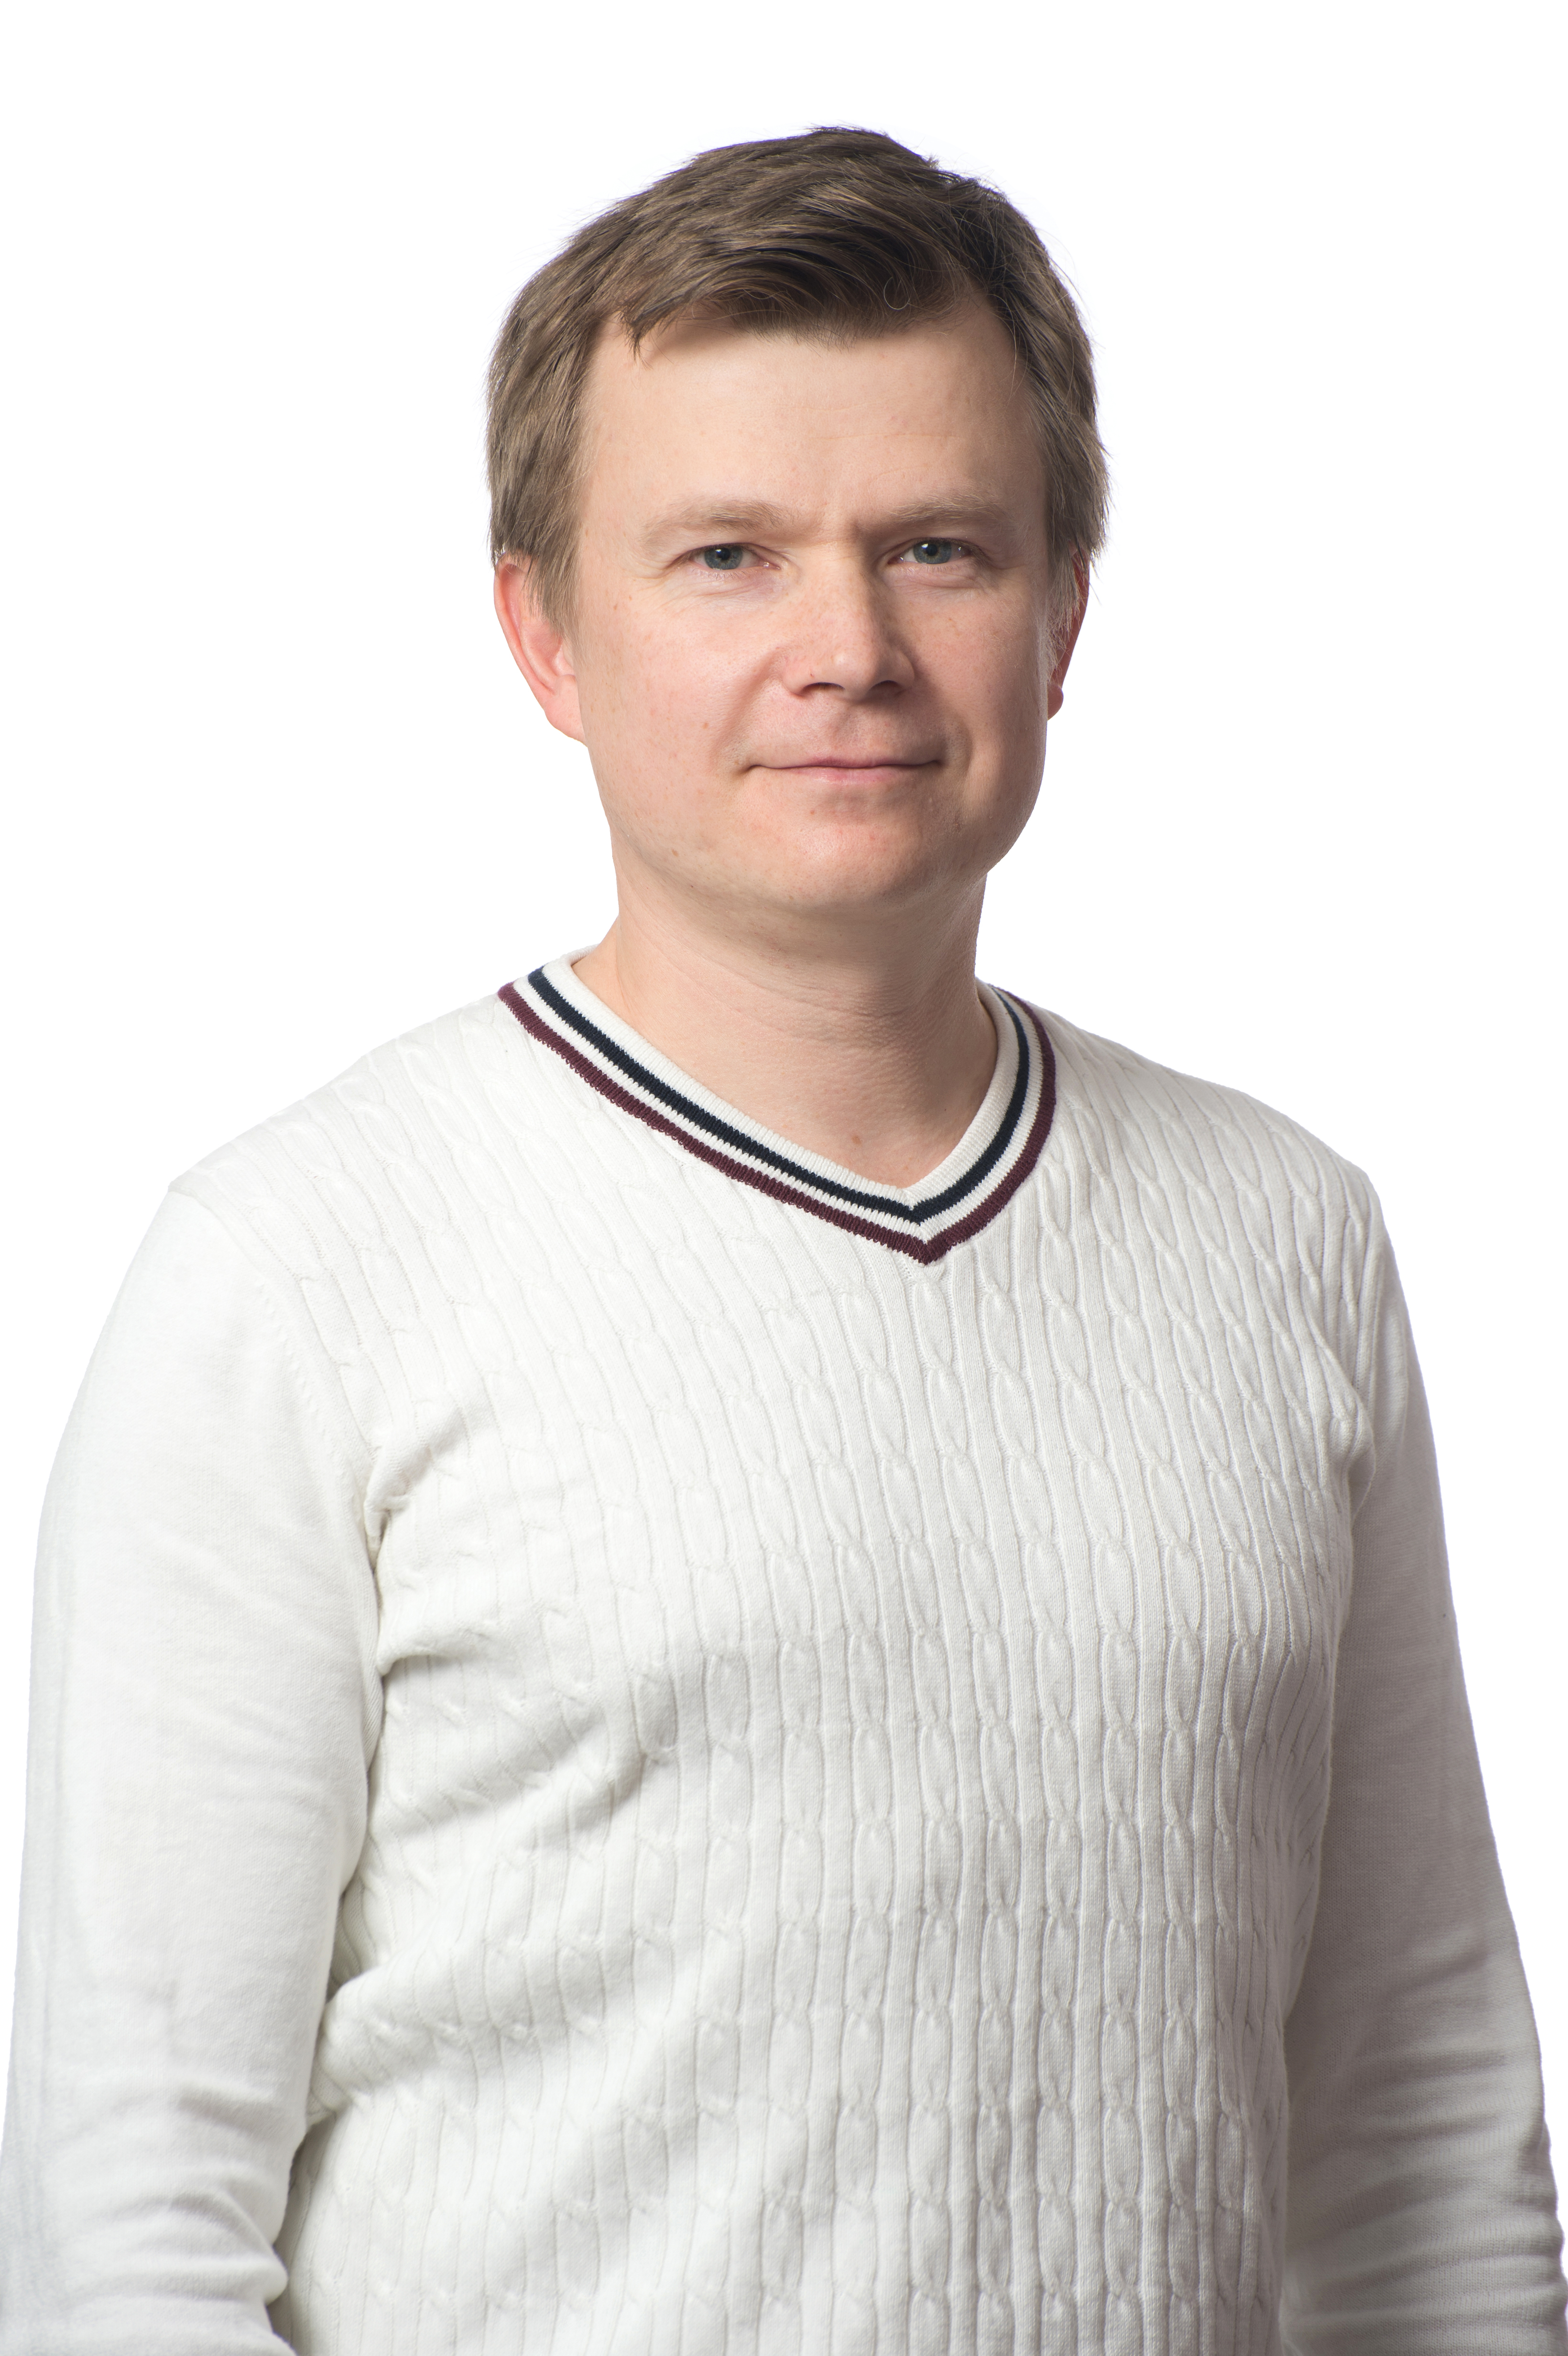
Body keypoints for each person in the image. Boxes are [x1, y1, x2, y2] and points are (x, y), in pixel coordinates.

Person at [0, 124, 1562, 2356]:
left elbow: (1415, 2133)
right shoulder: (297, 1267)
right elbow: (123, 2229)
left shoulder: (1284, 1240)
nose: (848, 649)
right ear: (545, 632)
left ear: (1062, 612)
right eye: (726, 555)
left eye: (937, 547)